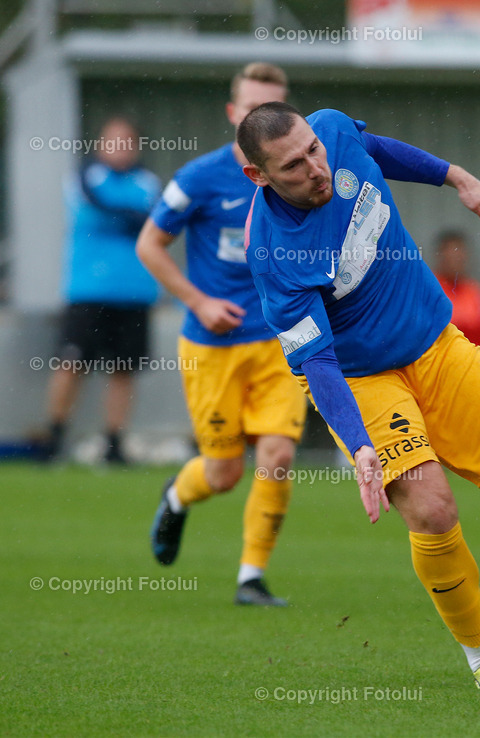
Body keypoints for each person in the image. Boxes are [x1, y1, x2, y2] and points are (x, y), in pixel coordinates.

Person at [236, 102, 480, 687]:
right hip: (359, 377)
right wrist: (360, 447)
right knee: (431, 509)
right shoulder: (273, 253)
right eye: (293, 167)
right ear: (260, 176)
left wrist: (457, 177)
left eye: (312, 152)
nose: (315, 168)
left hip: (433, 342)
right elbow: (317, 359)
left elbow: (378, 150)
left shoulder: (331, 130)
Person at [137, 63, 307, 607]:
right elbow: (149, 246)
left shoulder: (301, 173)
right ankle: (178, 495)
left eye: (273, 111)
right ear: (233, 114)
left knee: (277, 453)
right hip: (212, 347)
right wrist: (199, 301)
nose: (263, 121)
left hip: (281, 338)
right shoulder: (198, 179)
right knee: (224, 472)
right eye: (253, 111)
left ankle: (251, 577)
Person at [43, 116, 162, 464]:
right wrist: (131, 219)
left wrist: (131, 219)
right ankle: (54, 437)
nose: (120, 148)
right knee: (71, 361)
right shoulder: (83, 179)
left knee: (124, 368)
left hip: (135, 291)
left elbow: (153, 221)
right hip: (88, 290)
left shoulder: (148, 182)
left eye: (127, 141)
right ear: (100, 144)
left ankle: (114, 443)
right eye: (113, 141)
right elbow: (98, 216)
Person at [431, 230, 480, 356]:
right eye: (449, 253)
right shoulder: (429, 291)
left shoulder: (478, 293)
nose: (454, 259)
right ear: (440, 256)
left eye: (458, 253)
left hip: (476, 360)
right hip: (440, 361)